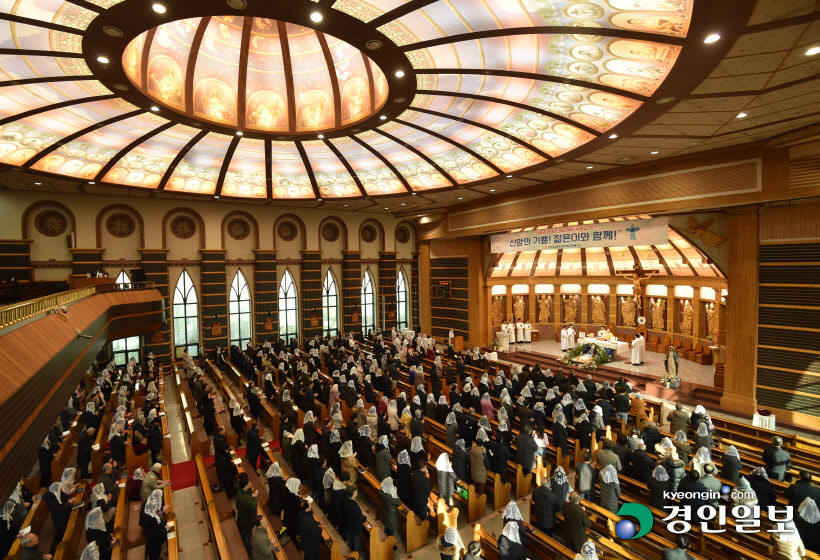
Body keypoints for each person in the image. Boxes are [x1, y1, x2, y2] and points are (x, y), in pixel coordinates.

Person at [140, 489, 169, 560]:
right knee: (155, 551)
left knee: (151, 548)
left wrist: (163, 509)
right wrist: (165, 528)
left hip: (148, 528)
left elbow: (157, 509)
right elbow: (158, 528)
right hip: (152, 534)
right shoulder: (151, 516)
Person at [236, 475, 259, 556]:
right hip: (248, 520)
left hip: (242, 517)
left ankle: (242, 537)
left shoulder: (240, 492)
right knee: (248, 535)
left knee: (244, 531)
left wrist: (251, 496)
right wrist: (255, 496)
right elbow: (254, 505)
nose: (250, 483)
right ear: (246, 485)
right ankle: (248, 550)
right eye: (249, 483)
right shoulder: (246, 498)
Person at [343, 487, 366, 557]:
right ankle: (355, 557)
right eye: (356, 491)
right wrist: (364, 516)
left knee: (350, 542)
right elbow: (360, 519)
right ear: (353, 494)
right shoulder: (354, 506)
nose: (357, 492)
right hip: (356, 529)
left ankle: (351, 554)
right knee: (356, 545)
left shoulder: (346, 500)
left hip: (349, 525)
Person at [379, 478, 401, 547]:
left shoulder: (382, 491)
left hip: (385, 513)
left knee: (387, 528)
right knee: (391, 532)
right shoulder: (392, 496)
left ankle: (386, 539)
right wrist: (395, 493)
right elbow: (399, 503)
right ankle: (389, 546)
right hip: (392, 516)